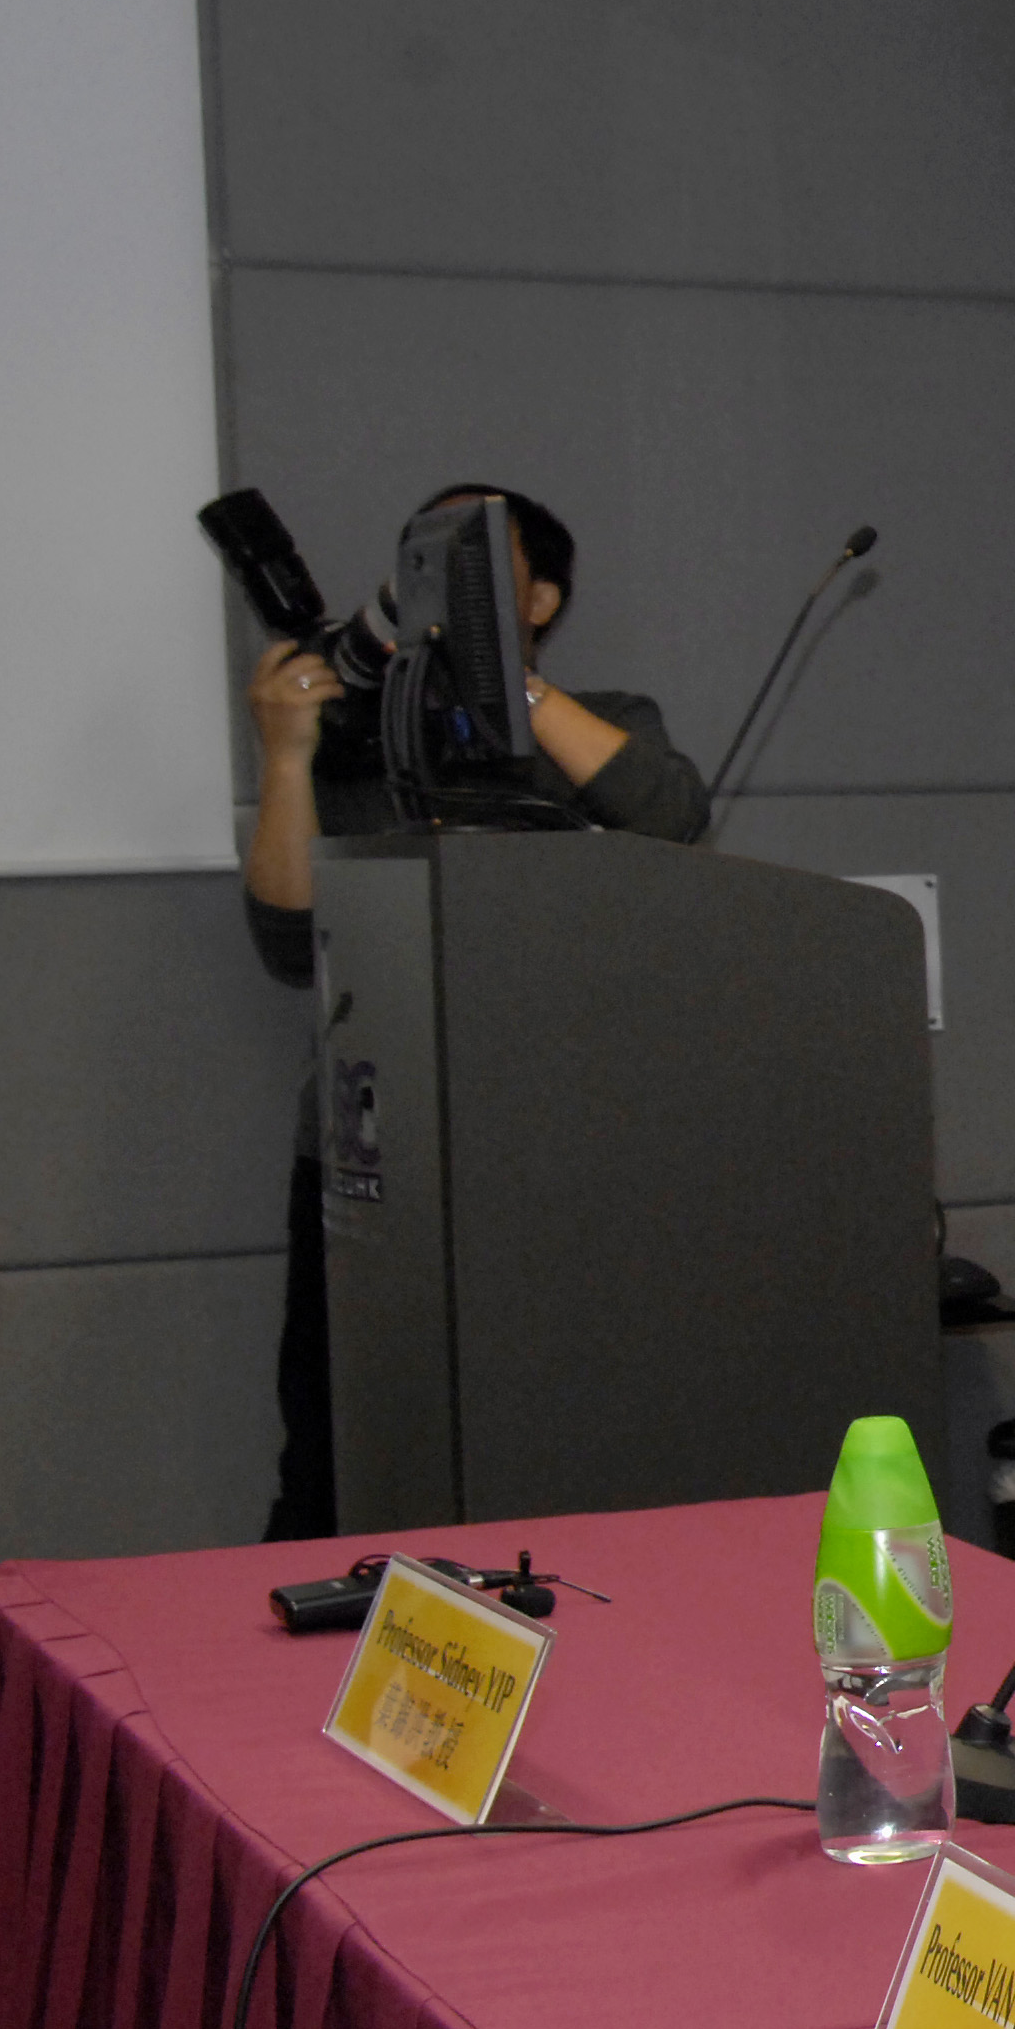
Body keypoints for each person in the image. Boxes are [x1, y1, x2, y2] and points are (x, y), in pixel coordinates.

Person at [243, 485, 709, 1541]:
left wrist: (510, 681)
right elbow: (284, 941)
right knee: (336, 1458)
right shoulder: (361, 738)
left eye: (474, 566)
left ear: (539, 597)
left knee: (563, 1448)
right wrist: (286, 757)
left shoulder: (608, 717)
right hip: (371, 1153)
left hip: (556, 1148)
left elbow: (669, 815)